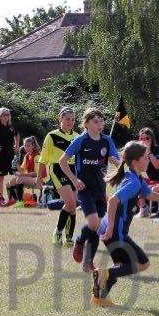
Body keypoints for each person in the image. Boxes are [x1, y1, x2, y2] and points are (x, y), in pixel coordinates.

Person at [92, 141, 159, 307]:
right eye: (145, 158)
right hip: (115, 231)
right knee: (143, 263)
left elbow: (150, 195)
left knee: (120, 265)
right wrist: (111, 228)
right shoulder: (133, 182)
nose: (148, 160)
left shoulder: (134, 176)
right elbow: (113, 201)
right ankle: (104, 274)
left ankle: (100, 298)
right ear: (136, 161)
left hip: (109, 229)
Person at [59, 108, 120, 273]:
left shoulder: (107, 141)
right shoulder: (81, 140)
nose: (100, 124)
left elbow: (117, 161)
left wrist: (116, 163)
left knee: (96, 227)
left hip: (100, 189)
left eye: (101, 121)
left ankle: (88, 264)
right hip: (84, 189)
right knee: (94, 223)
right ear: (86, 124)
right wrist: (74, 180)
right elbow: (62, 161)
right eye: (95, 121)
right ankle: (79, 240)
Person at [36, 107, 79, 246]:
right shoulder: (51, 136)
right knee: (71, 203)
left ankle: (69, 237)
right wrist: (39, 178)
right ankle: (58, 232)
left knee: (73, 205)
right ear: (60, 119)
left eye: (73, 119)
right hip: (57, 170)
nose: (70, 122)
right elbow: (43, 159)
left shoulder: (77, 136)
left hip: (73, 170)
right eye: (67, 119)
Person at [6, 136, 42, 206]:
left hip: (40, 179)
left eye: (29, 146)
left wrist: (22, 175)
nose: (26, 147)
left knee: (19, 179)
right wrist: (16, 164)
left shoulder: (37, 156)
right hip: (31, 178)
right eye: (25, 145)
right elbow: (22, 170)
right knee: (10, 183)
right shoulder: (27, 156)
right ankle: (12, 201)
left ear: (33, 146)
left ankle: (20, 202)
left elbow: (37, 173)